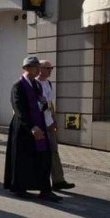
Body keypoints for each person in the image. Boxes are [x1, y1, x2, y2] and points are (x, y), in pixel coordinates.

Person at [4, 56, 63, 202]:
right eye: (36, 67)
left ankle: (45, 189)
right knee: (23, 159)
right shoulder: (18, 85)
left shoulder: (36, 85)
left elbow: (39, 105)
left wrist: (43, 104)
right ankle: (20, 188)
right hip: (24, 129)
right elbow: (19, 109)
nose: (38, 70)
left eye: (38, 67)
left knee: (44, 157)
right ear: (27, 68)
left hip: (39, 126)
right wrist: (32, 127)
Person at [37, 60, 76, 191]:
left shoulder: (48, 83)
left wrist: (54, 119)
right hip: (39, 124)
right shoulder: (34, 83)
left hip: (48, 122)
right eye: (48, 68)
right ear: (40, 69)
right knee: (40, 153)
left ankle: (58, 180)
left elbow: (50, 103)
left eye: (51, 68)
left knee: (53, 150)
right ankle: (40, 181)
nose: (50, 70)